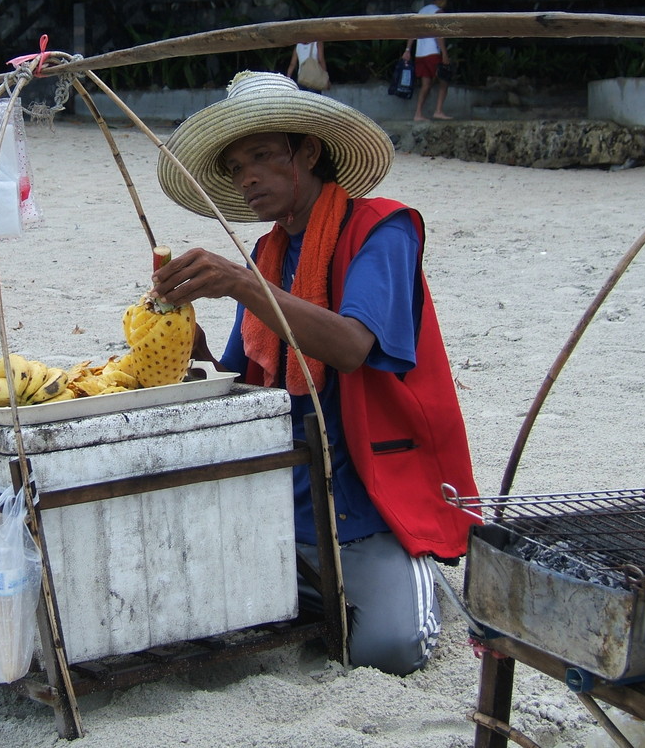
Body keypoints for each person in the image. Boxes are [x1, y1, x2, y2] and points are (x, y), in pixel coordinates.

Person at [154, 71, 480, 675]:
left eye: (260, 156)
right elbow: (243, 383)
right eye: (234, 167)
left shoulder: (383, 228)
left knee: (392, 650)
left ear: (308, 151)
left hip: (365, 493)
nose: (246, 176)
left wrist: (243, 285)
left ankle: (407, 570)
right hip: (284, 497)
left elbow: (353, 345)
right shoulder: (267, 256)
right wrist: (181, 351)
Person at [403, 0, 452, 121]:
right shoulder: (438, 12)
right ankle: (438, 111)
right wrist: (444, 53)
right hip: (433, 53)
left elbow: (412, 33)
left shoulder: (421, 11)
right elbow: (438, 34)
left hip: (420, 54)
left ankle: (418, 114)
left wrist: (408, 50)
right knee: (444, 81)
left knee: (426, 85)